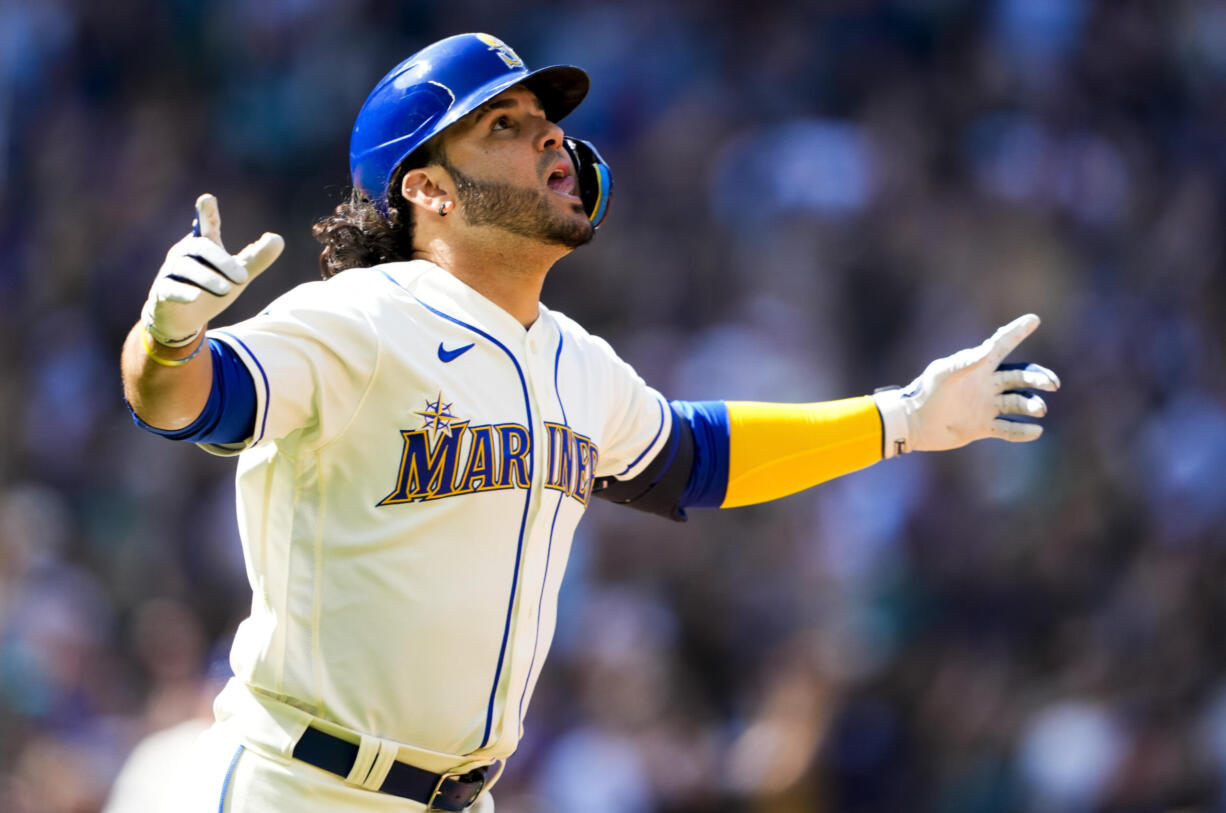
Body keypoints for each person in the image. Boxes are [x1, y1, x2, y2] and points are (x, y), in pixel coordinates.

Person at [119, 32, 1059, 813]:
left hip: (460, 796)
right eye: (506, 124)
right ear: (429, 190)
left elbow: (697, 456)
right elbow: (187, 400)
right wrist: (165, 338)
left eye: (549, 121)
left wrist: (898, 419)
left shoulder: (573, 357)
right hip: (303, 785)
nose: (552, 141)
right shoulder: (359, 318)